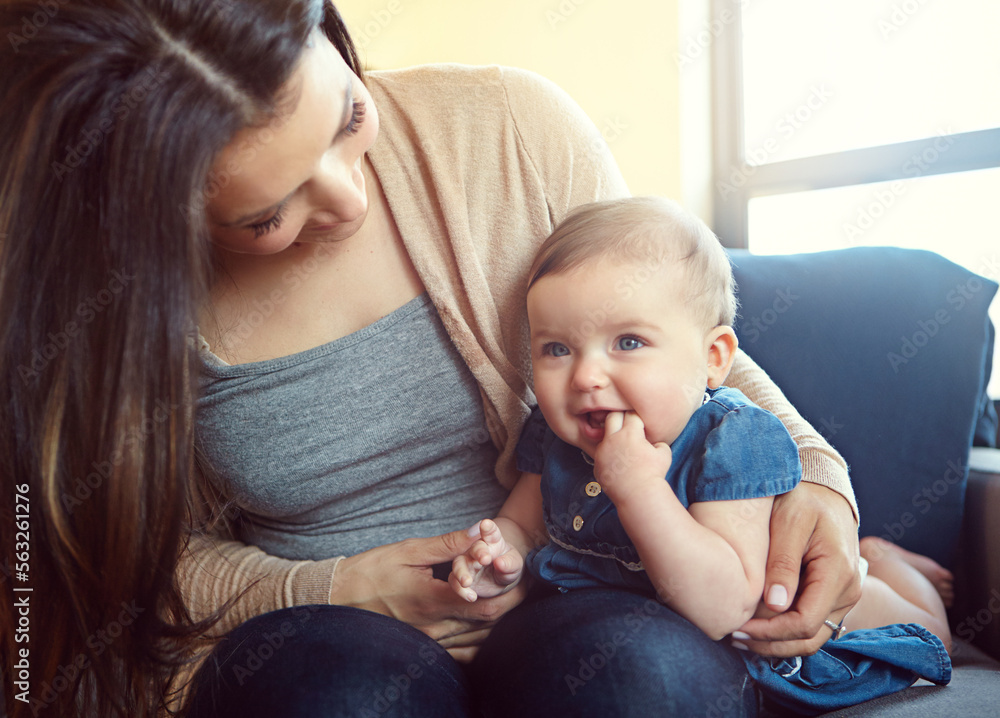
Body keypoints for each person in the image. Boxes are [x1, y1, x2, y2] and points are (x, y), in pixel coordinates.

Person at [0, 1, 862, 716]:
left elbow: (675, 338)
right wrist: (335, 588)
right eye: (266, 216)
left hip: (577, 600)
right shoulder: (91, 308)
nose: (349, 196)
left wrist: (821, 477)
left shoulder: (510, 130)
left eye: (349, 118)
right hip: (322, 637)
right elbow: (101, 564)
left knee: (643, 680)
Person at [450, 196, 954, 714]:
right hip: (622, 628)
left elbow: (721, 607)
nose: (584, 377)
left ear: (712, 360)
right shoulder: (558, 437)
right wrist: (500, 557)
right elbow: (525, 525)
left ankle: (885, 561)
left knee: (932, 630)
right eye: (557, 349)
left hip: (799, 602)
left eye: (627, 341)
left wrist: (640, 489)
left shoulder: (733, 439)